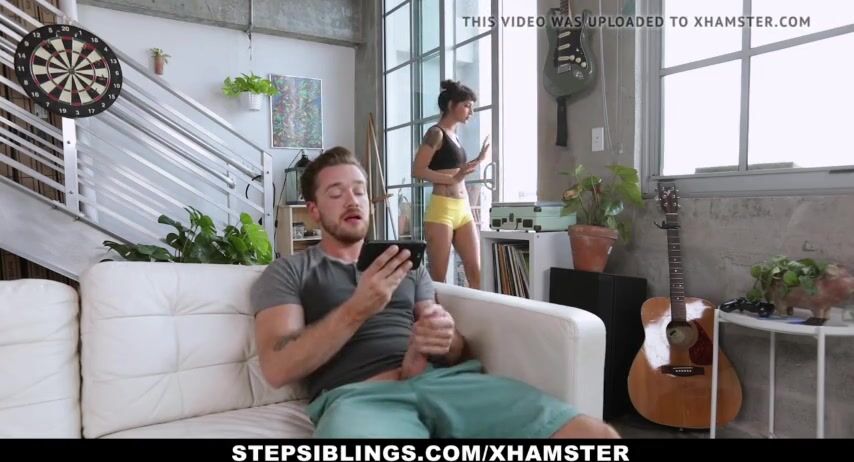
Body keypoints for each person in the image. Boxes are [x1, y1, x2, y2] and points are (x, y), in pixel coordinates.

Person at [250, 146, 620, 439]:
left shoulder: (406, 263)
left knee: (594, 434)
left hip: (444, 384)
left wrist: (441, 339)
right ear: (313, 211)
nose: (352, 200)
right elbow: (278, 368)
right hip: (359, 398)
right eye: (336, 193)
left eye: (359, 191)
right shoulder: (289, 271)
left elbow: (454, 347)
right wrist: (358, 308)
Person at [412, 80, 489, 289]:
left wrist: (478, 160)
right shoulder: (435, 133)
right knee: (439, 279)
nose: (471, 111)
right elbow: (417, 170)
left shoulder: (455, 136)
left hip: (463, 209)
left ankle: (475, 311)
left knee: (476, 272)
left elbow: (455, 169)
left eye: (471, 106)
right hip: (442, 210)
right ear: (450, 105)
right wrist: (453, 180)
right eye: (466, 105)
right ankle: (437, 311)